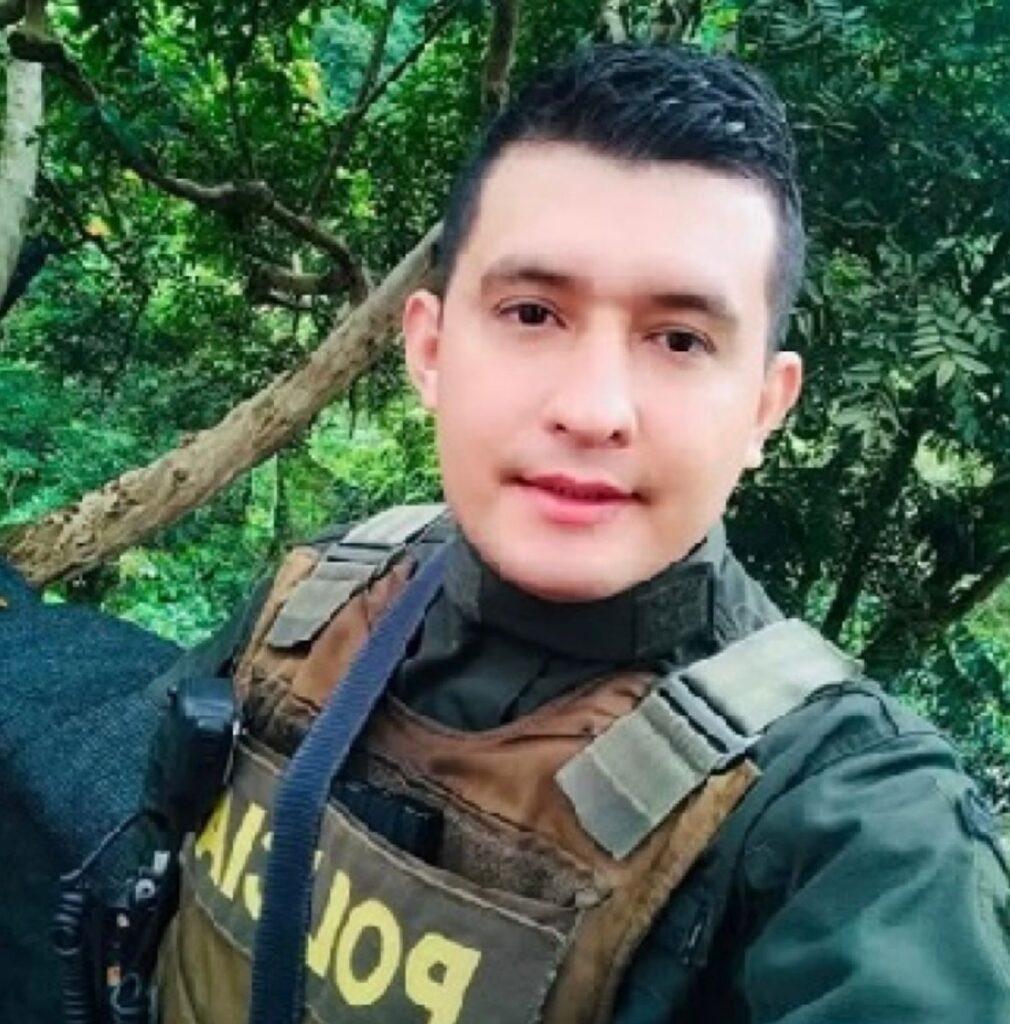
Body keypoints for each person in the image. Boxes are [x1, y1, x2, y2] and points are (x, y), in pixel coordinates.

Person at [145, 42, 1010, 1024]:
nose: (593, 409)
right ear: (429, 349)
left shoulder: (850, 823)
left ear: (764, 408)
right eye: (531, 312)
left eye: (679, 339)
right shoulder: (315, 599)